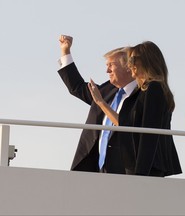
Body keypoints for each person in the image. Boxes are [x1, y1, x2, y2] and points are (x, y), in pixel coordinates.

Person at [88, 41, 182, 177]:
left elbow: (149, 133)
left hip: (148, 168)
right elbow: (126, 124)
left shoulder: (154, 88)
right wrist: (101, 102)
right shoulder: (143, 91)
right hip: (137, 166)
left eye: (132, 60)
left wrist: (141, 173)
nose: (129, 64)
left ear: (145, 62)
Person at [57, 35, 137, 173]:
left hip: (126, 172)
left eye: (111, 65)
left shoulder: (143, 95)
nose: (107, 71)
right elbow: (77, 87)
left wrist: (101, 103)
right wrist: (65, 52)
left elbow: (132, 127)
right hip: (94, 169)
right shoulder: (107, 90)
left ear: (129, 67)